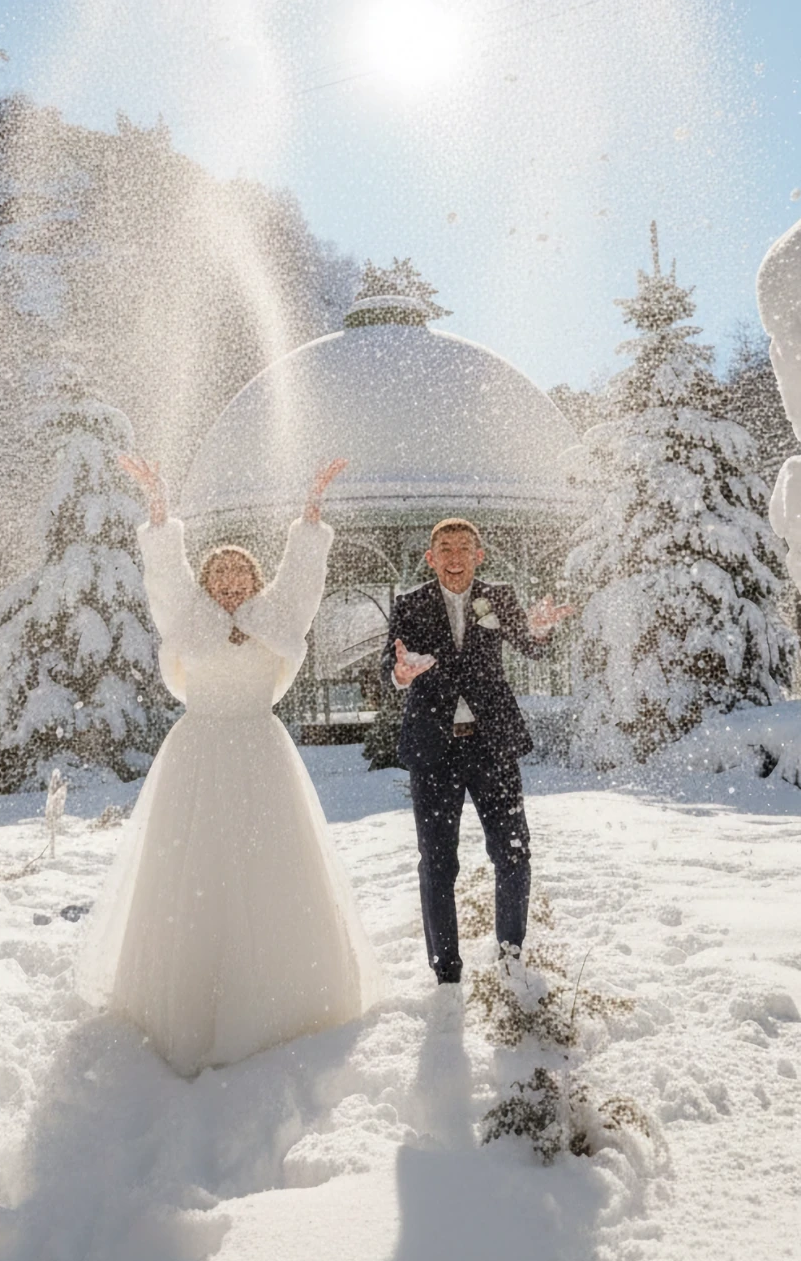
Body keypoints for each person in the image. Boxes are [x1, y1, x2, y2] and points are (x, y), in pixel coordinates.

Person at [74, 455, 381, 1075]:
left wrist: (311, 514)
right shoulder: (187, 619)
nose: (231, 579)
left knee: (269, 863)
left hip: (261, 753)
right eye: (220, 571)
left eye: (241, 570)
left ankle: (282, 999)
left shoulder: (279, 615)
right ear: (209, 581)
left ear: (255, 577)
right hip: (197, 754)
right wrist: (159, 510)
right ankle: (187, 999)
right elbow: (166, 576)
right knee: (194, 867)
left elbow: (303, 578)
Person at [381, 520, 573, 984]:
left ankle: (510, 954)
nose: (454, 556)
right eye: (444, 548)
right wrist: (401, 673)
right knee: (438, 862)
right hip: (434, 752)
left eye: (464, 547)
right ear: (431, 558)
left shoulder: (500, 597)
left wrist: (542, 631)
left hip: (493, 746)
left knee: (513, 852)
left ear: (478, 555)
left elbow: (532, 647)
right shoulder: (410, 604)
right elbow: (391, 661)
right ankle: (446, 971)